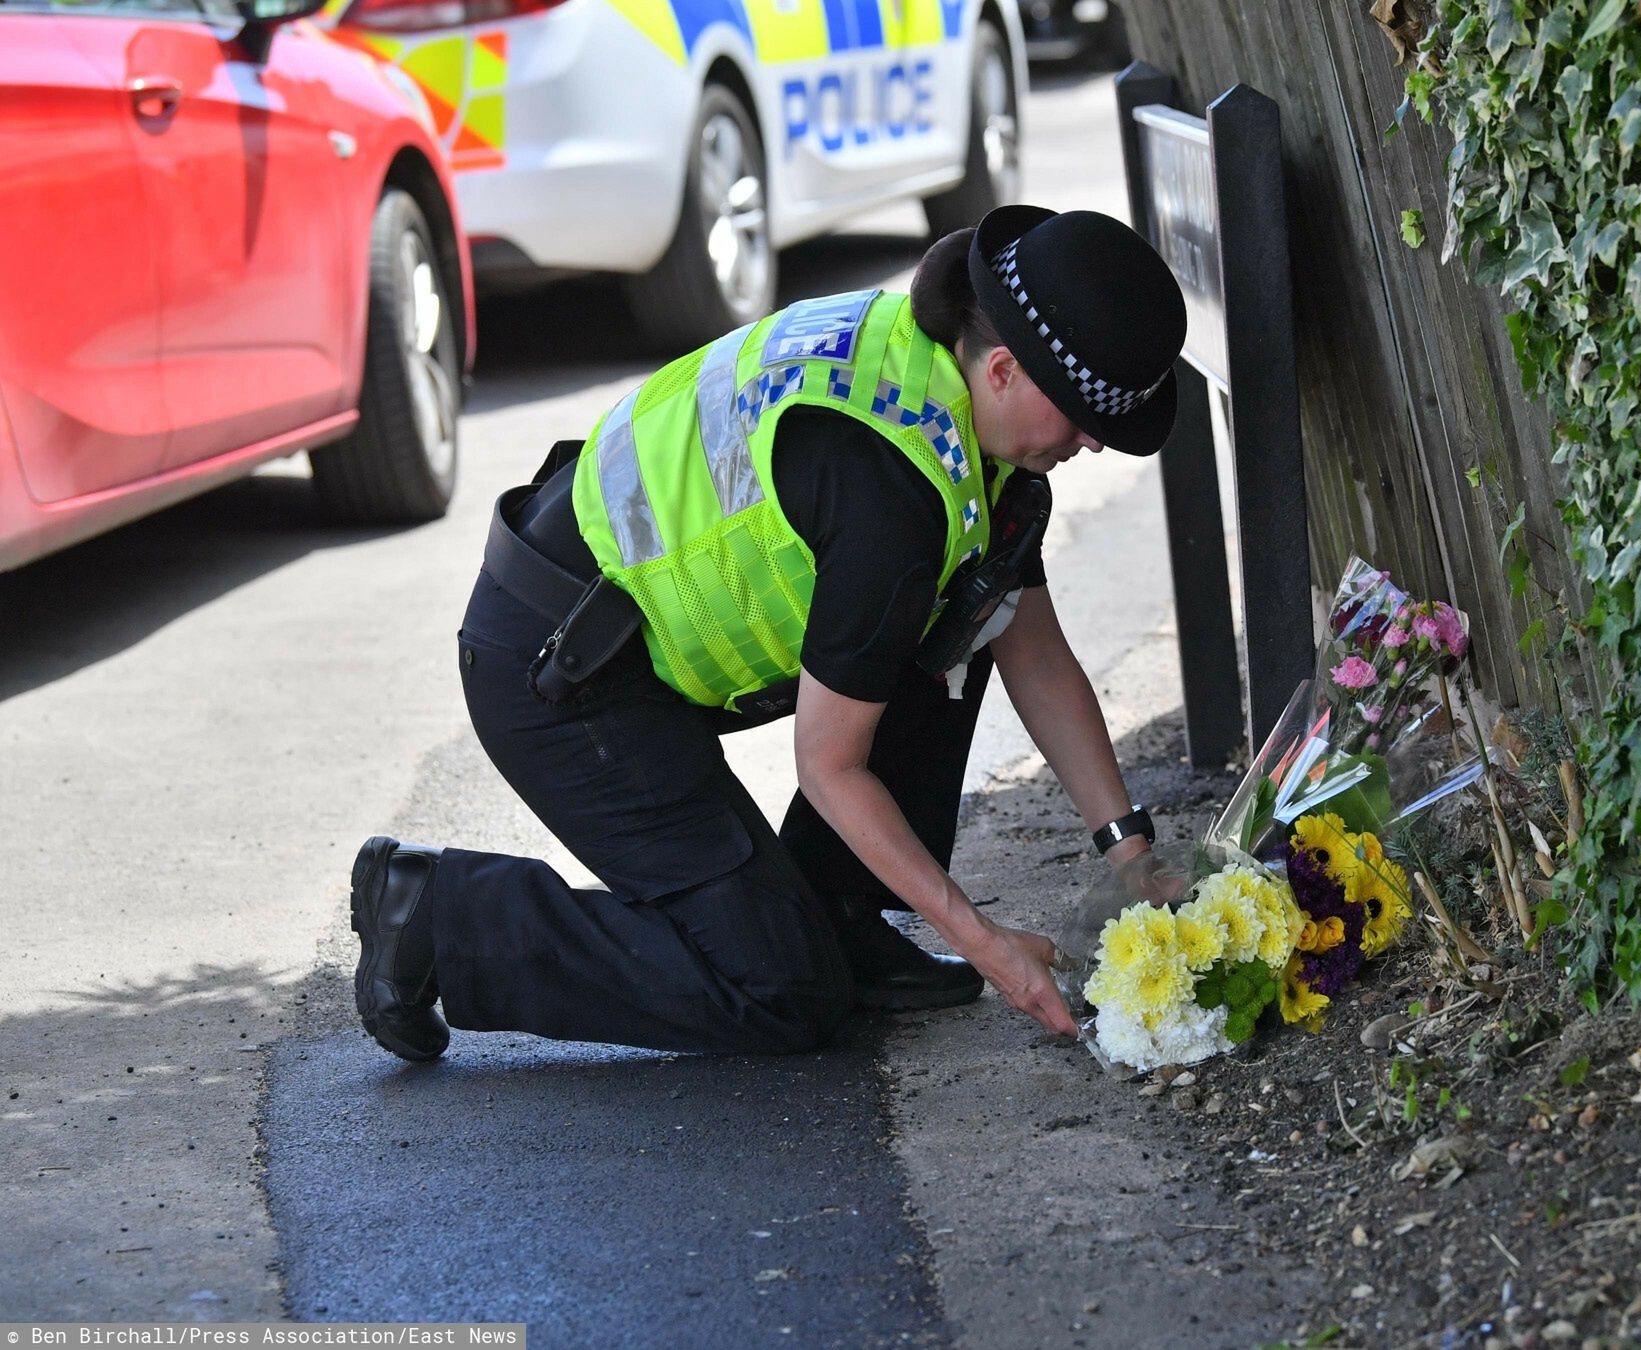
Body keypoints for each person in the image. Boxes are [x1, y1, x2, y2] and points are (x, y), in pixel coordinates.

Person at [347, 205, 1188, 1061]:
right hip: (561, 675)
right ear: (1004, 368)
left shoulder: (950, 394)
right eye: (1085, 416)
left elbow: (1034, 654)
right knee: (780, 989)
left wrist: (1132, 858)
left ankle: (839, 920)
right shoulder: (891, 496)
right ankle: (437, 917)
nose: (1094, 442)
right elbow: (831, 766)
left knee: (971, 605)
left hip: (623, 639)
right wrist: (986, 944)